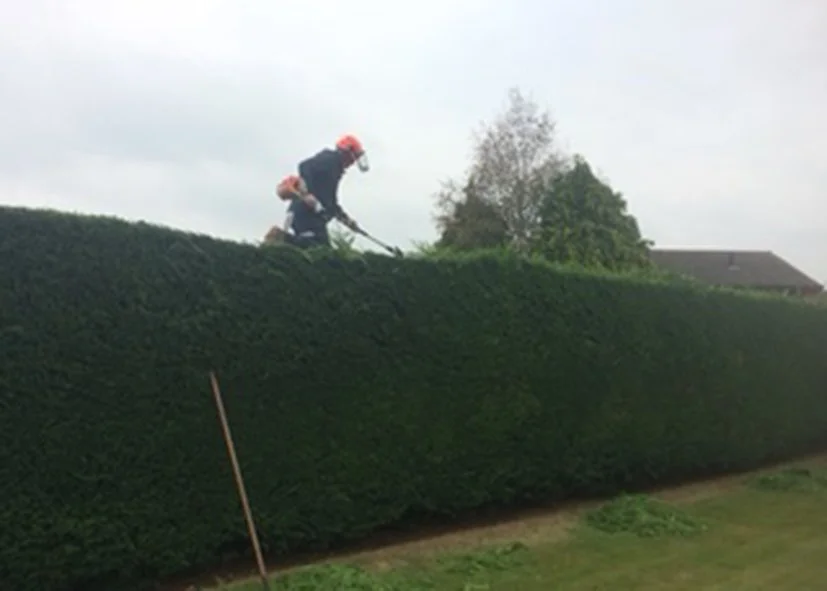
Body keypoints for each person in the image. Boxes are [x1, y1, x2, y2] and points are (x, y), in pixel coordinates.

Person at [263, 134, 368, 248]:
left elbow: (330, 203)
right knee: (316, 246)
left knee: (320, 248)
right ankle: (281, 238)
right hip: (305, 213)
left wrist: (346, 220)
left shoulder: (335, 170)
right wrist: (306, 194)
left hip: (311, 216)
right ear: (347, 152)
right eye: (354, 157)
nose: (353, 162)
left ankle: (283, 239)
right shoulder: (331, 159)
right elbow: (304, 165)